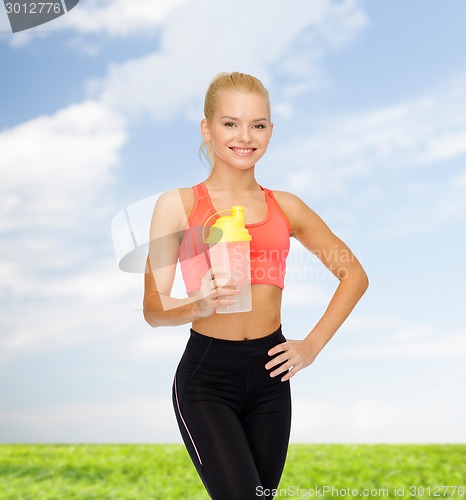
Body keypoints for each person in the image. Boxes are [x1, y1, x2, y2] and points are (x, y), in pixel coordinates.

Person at [143, 71, 369, 500]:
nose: (245, 136)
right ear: (206, 128)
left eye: (258, 125)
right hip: (207, 379)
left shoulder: (286, 207)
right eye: (230, 123)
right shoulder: (178, 206)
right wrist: (196, 304)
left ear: (270, 131)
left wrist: (311, 345)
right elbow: (153, 308)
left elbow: (353, 274)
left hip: (271, 376)